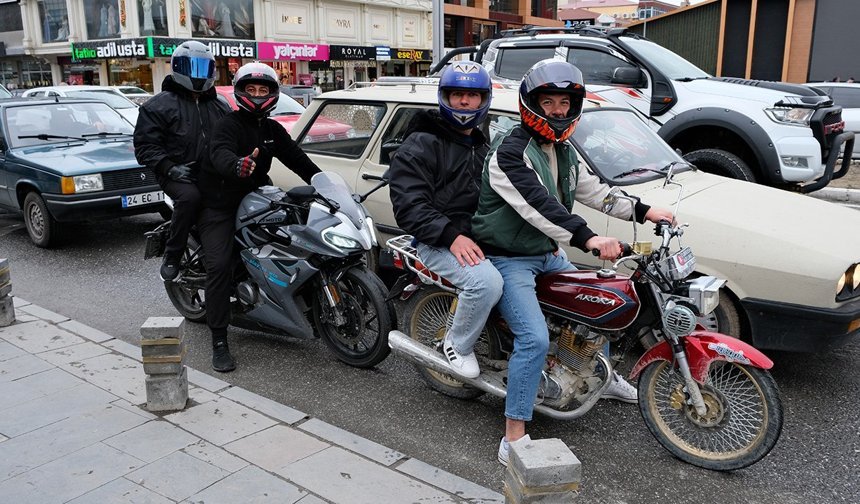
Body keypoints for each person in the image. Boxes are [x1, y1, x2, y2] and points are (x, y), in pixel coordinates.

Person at [469, 59, 675, 466]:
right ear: (532, 104)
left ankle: (601, 373)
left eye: (565, 102)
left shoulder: (562, 151)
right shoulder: (509, 153)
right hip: (510, 259)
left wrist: (646, 211)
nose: (559, 111)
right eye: (549, 102)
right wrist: (589, 238)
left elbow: (597, 192)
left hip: (545, 253)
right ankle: (513, 436)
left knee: (603, 297)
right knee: (535, 339)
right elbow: (539, 207)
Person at [199, 62, 321, 372]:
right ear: (240, 93)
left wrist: (324, 184)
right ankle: (219, 341)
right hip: (221, 202)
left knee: (293, 236)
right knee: (219, 266)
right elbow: (220, 152)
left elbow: (298, 160)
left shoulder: (272, 129)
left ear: (273, 94)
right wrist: (237, 165)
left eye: (262, 90)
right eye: (251, 90)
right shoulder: (227, 124)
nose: (256, 95)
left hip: (257, 198)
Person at [389, 61, 503, 379]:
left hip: (476, 235)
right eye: (456, 94)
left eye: (472, 95)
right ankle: (457, 344)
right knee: (486, 283)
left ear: (484, 99)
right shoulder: (422, 143)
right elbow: (410, 207)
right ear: (445, 97)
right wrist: (451, 235)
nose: (464, 102)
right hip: (436, 239)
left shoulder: (480, 144)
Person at [134, 41, 231, 283]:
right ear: (178, 67)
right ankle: (173, 255)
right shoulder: (157, 106)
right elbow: (145, 147)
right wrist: (169, 167)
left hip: (212, 172)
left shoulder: (220, 105)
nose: (198, 74)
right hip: (176, 173)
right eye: (192, 67)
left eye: (203, 68)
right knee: (190, 198)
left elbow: (232, 137)